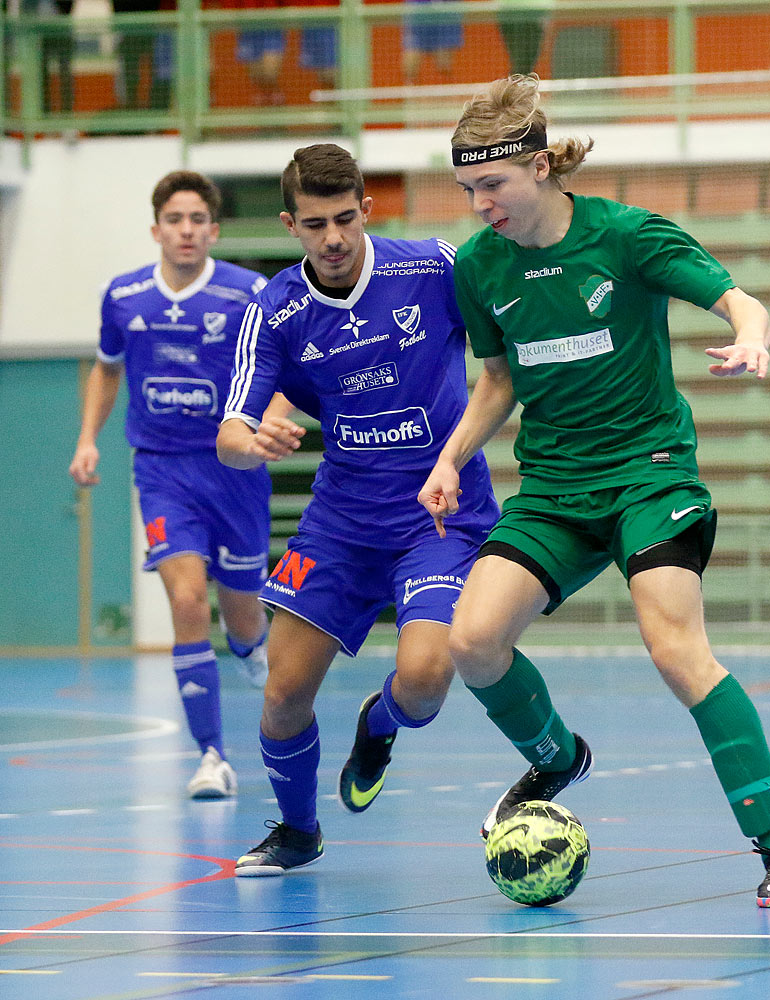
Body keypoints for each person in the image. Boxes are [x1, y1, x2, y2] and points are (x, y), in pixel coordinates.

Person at [418, 74, 770, 909]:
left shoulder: (629, 237)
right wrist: (452, 456)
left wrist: (750, 338)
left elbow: (741, 301)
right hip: (556, 489)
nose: (479, 205)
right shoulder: (483, 268)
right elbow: (498, 381)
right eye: (466, 190)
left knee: (675, 648)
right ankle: (557, 756)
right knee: (473, 643)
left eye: (490, 185)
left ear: (539, 166)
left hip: (650, 474)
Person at [218, 143, 499, 876]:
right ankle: (298, 830)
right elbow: (228, 435)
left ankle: (380, 724)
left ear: (368, 210)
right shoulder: (275, 308)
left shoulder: (433, 267)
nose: (334, 238)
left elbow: (506, 349)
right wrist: (254, 440)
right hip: (340, 524)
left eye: (345, 218)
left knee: (428, 677)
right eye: (315, 224)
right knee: (281, 694)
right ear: (291, 225)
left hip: (437, 517)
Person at [69, 170, 277, 799]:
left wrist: (271, 420)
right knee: (187, 601)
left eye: (198, 221)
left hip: (235, 470)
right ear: (156, 228)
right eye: (175, 220)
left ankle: (253, 651)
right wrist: (87, 438)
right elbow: (107, 371)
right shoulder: (125, 296)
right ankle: (212, 754)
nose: (186, 231)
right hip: (161, 469)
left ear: (213, 230)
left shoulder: (250, 294)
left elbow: (285, 367)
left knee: (242, 616)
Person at [401, 0, 460, 84]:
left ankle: (448, 92)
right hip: (418, 14)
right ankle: (411, 92)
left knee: (444, 66)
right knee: (411, 69)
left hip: (444, 16)